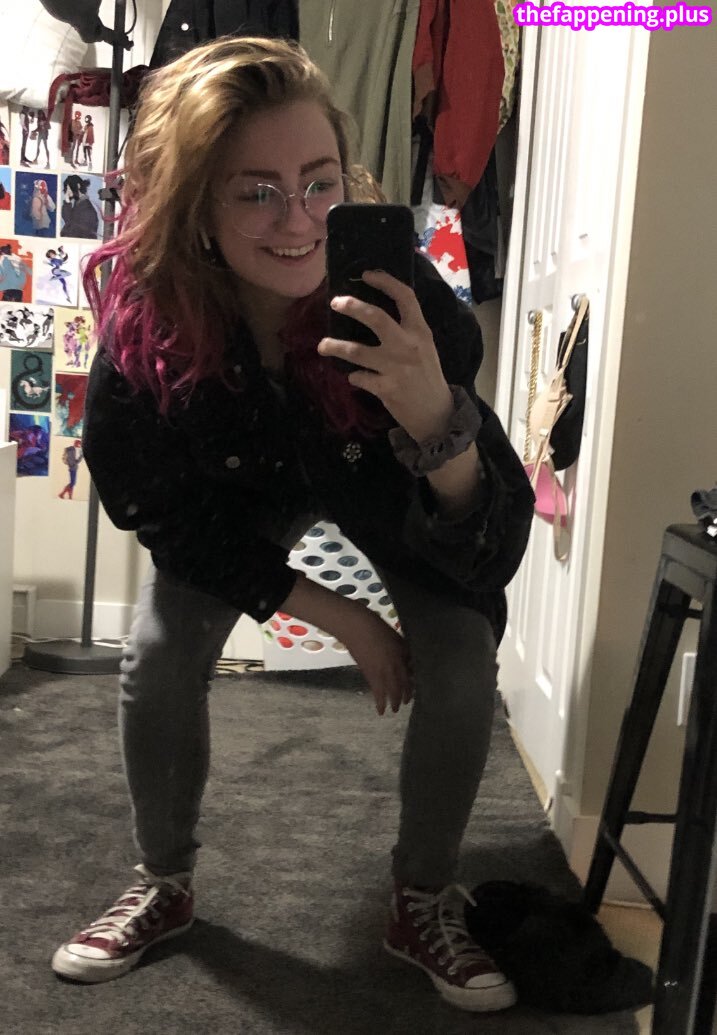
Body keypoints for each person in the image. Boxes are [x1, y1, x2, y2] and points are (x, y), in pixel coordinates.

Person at [51, 37, 534, 1012]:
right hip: (233, 500)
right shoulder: (149, 320)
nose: (300, 219)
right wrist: (342, 617)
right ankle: (163, 882)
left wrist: (434, 421)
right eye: (256, 192)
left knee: (459, 653)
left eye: (319, 182)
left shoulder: (406, 304)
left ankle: (421, 899)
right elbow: (160, 513)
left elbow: (489, 550)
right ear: (196, 204)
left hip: (387, 491)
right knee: (160, 646)